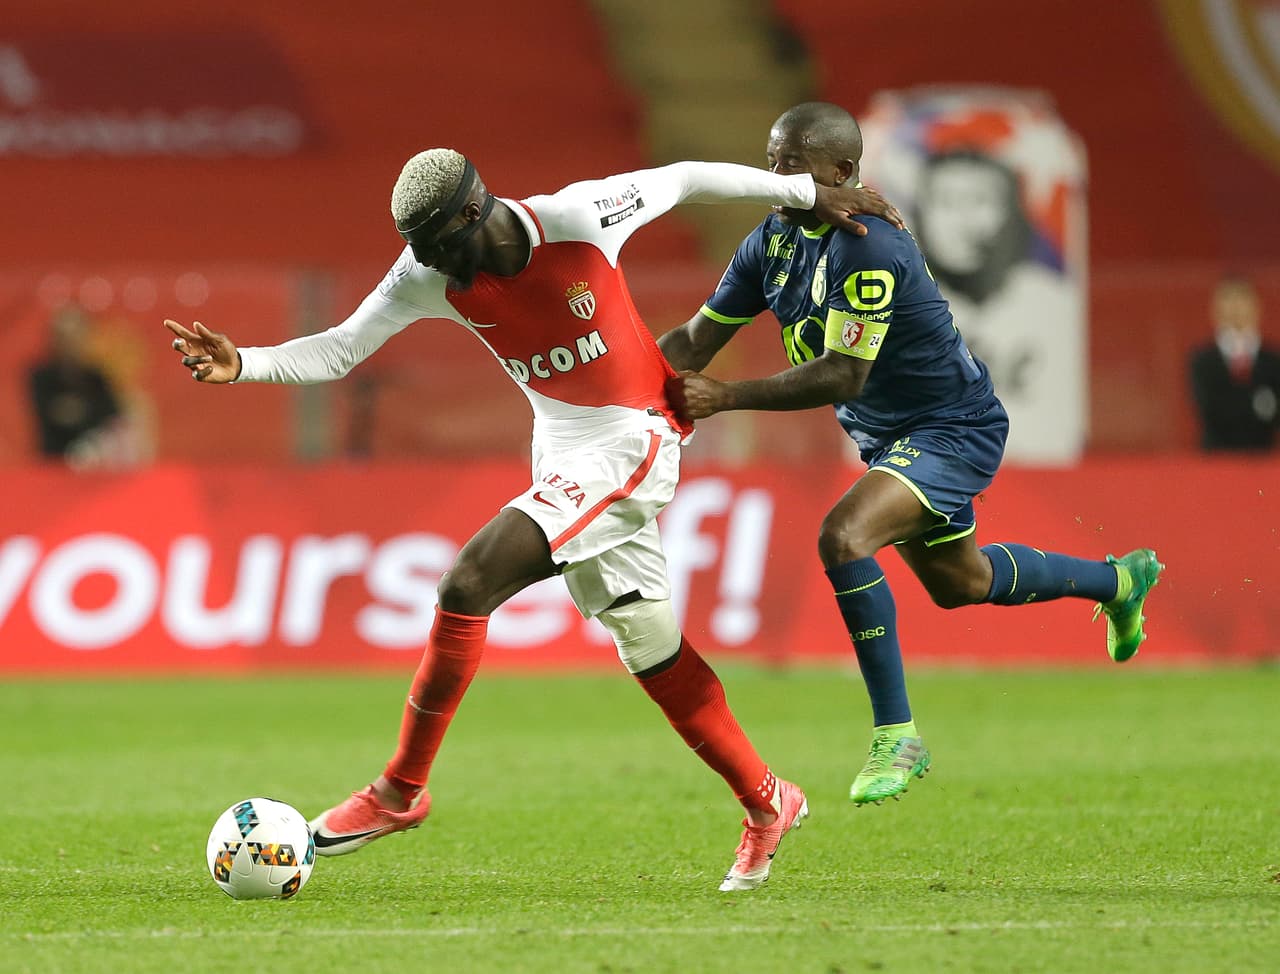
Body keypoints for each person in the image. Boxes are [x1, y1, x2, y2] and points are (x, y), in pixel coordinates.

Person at [164, 150, 901, 891]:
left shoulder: (580, 216)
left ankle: (399, 791)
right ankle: (768, 800)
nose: (428, 267)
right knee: (650, 647)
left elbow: (683, 179)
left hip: (633, 439)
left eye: (436, 246)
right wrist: (246, 364)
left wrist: (807, 192)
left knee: (468, 581)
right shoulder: (426, 270)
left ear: (471, 215)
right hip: (562, 455)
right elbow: (342, 348)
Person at [660, 102, 1164, 807]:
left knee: (843, 536)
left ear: (840, 172)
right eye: (770, 161)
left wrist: (726, 397)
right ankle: (1119, 582)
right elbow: (692, 342)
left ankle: (897, 733)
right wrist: (603, 380)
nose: (774, 177)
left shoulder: (869, 246)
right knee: (960, 582)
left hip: (952, 426)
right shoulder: (772, 241)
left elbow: (843, 374)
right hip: (886, 437)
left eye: (791, 165)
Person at [1188, 275, 1280, 452]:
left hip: (1263, 460)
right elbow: (1209, 410)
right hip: (1216, 461)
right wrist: (1260, 404)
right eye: (1228, 301)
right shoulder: (1202, 361)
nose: (1235, 308)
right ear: (1215, 309)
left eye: (1242, 300)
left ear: (1256, 307)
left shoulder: (1273, 361)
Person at [28, 303, 121, 461]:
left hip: (95, 462)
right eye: (64, 337)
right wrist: (85, 412)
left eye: (75, 337)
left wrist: (77, 412)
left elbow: (110, 414)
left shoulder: (97, 378)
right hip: (52, 461)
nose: (70, 344)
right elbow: (47, 414)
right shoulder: (41, 377)